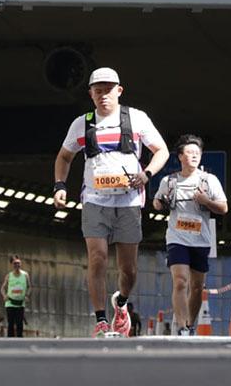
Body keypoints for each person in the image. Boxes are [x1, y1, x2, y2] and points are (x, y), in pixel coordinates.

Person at [53, 67, 169, 338]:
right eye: (98, 90)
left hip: (129, 202)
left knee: (128, 269)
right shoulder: (82, 123)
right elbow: (64, 157)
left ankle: (121, 302)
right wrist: (60, 186)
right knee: (98, 258)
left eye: (108, 89)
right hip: (94, 200)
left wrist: (147, 173)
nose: (103, 95)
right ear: (91, 94)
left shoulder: (136, 119)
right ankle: (101, 320)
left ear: (119, 90)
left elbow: (161, 150)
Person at [152, 134, 228, 335]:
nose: (194, 156)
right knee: (180, 281)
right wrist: (161, 203)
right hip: (177, 238)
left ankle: (190, 325)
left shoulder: (209, 180)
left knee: (196, 287)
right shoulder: (169, 181)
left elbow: (223, 207)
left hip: (201, 238)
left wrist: (206, 201)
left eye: (198, 153)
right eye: (190, 152)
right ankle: (183, 327)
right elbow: (156, 202)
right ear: (180, 156)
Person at [1, 255, 31, 337]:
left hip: (20, 303)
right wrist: (4, 296)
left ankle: (19, 342)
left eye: (18, 263)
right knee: (10, 323)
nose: (17, 265)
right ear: (12, 265)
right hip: (10, 303)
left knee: (19, 324)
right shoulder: (9, 276)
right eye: (15, 263)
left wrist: (27, 295)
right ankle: (10, 342)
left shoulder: (25, 275)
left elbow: (29, 287)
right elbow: (2, 288)